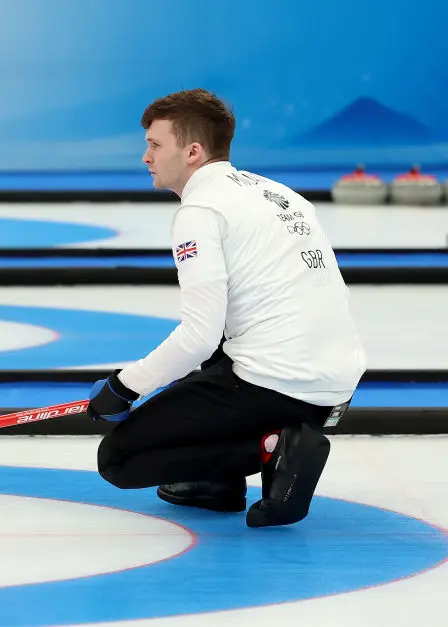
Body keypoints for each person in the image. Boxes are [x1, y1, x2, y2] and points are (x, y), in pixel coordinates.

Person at [87, 88, 366, 528]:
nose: (146, 157)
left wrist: (124, 387)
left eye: (155, 144)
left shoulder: (200, 212)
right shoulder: (278, 193)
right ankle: (216, 483)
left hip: (278, 384)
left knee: (119, 457)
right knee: (221, 353)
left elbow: (198, 336)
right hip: (335, 384)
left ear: (193, 151)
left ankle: (277, 445)